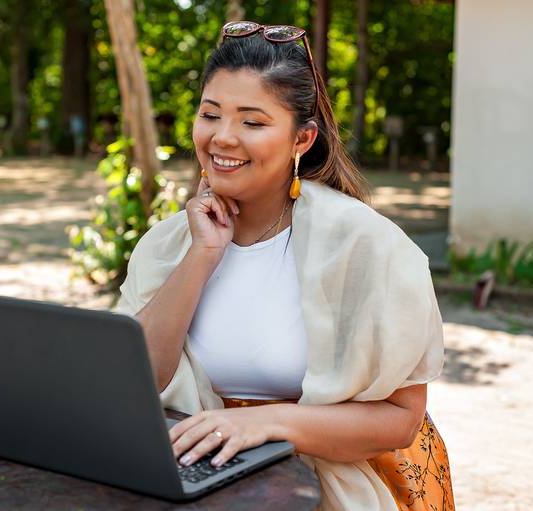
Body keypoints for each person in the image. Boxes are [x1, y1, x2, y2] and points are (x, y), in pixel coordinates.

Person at [115, 21, 454, 511]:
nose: (223, 138)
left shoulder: (368, 247)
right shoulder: (168, 244)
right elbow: (131, 383)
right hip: (199, 472)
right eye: (210, 115)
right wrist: (201, 256)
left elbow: (401, 419)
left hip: (336, 479)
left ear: (302, 139)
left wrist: (263, 423)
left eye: (252, 122)